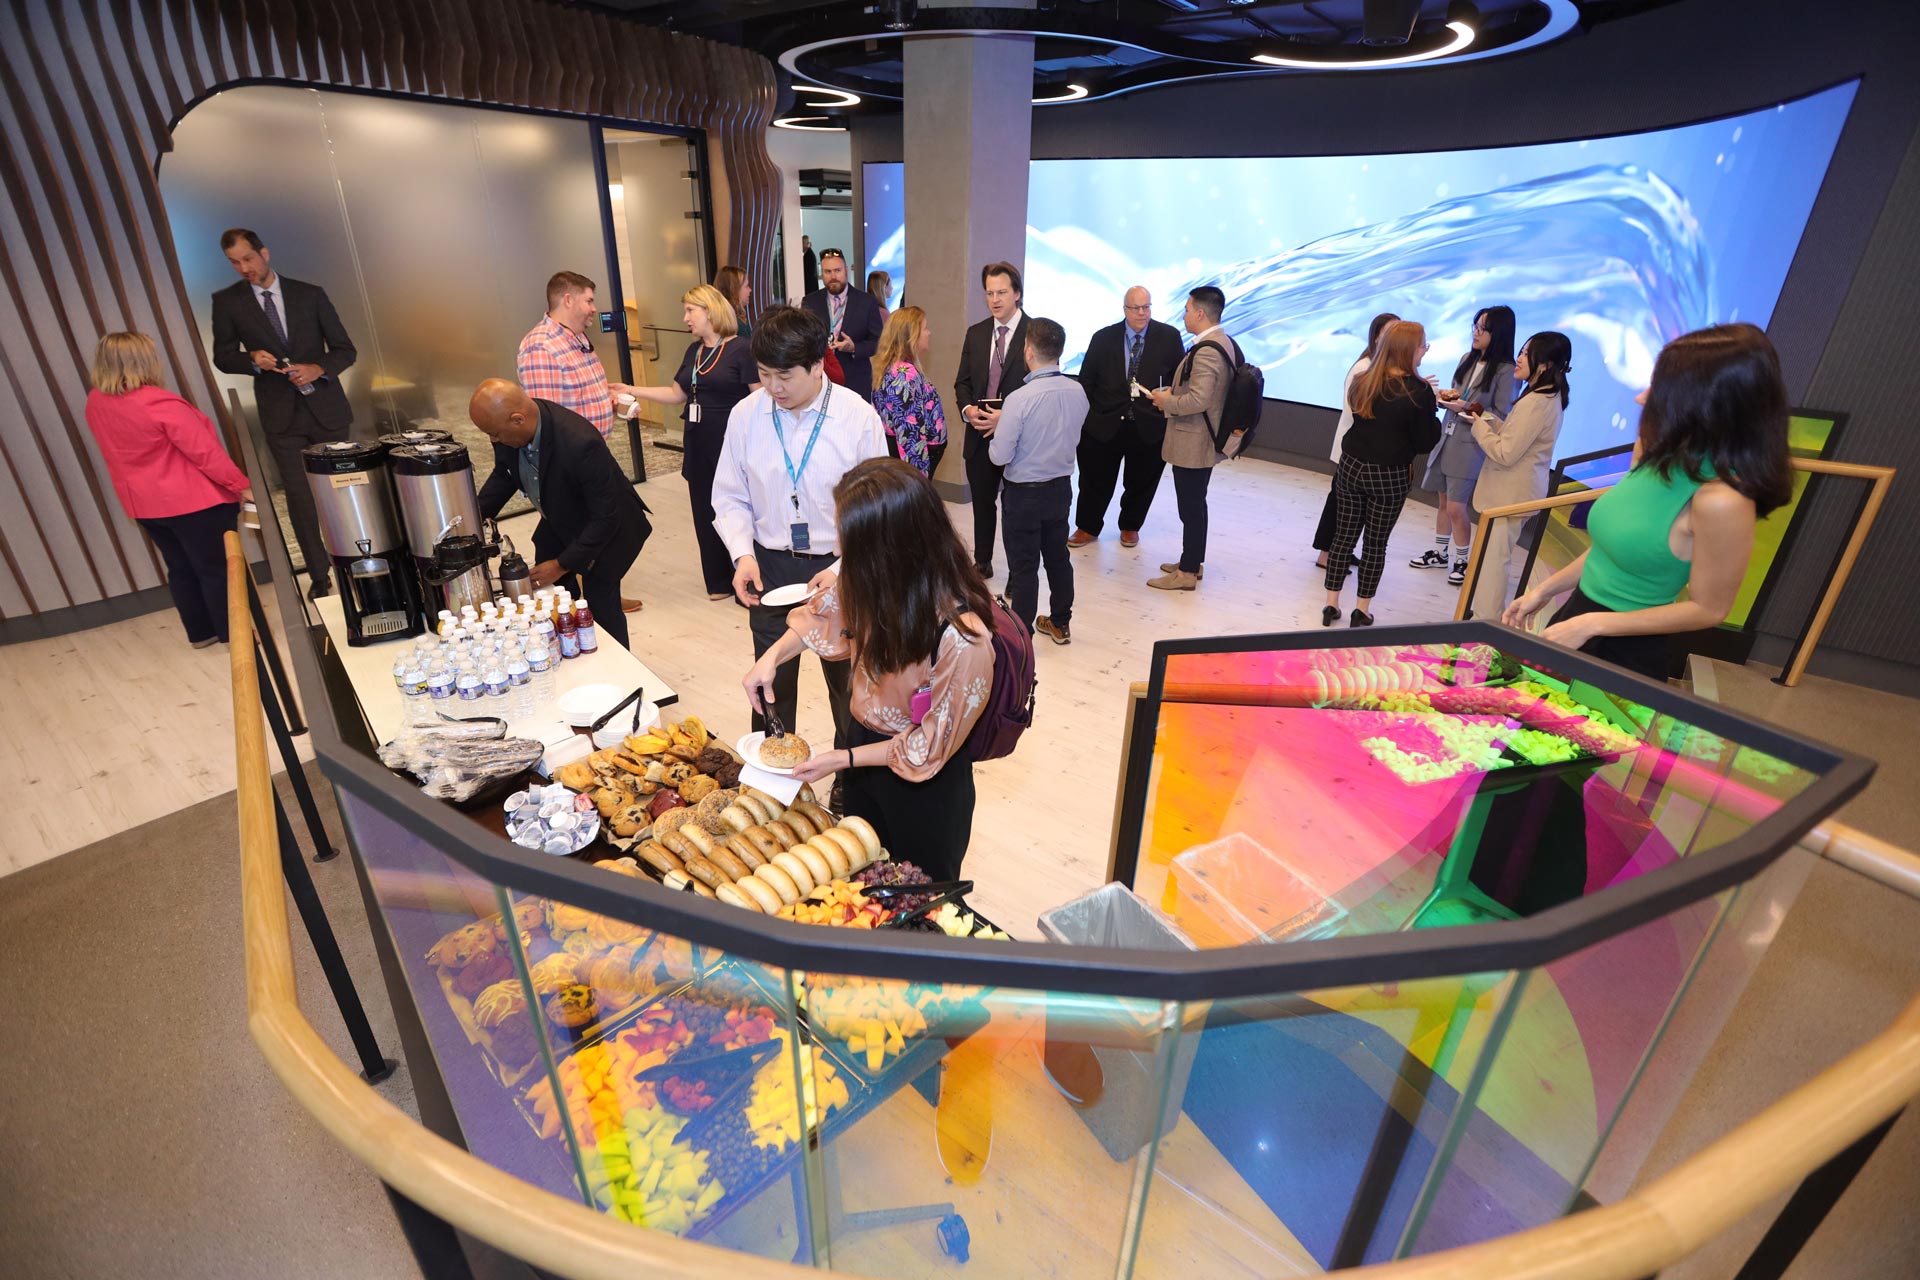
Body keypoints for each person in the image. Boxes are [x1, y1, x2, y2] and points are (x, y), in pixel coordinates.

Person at [743, 458, 996, 881]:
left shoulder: (962, 636)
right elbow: (822, 615)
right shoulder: (873, 581)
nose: (839, 551)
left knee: (918, 895)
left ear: (891, 547)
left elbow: (928, 748)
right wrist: (770, 658)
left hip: (924, 784)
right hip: (863, 755)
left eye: (848, 540)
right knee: (861, 875)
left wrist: (842, 759)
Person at [1504, 323, 1793, 682]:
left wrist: (1594, 624)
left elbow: (1710, 608)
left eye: (1661, 389)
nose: (1642, 398)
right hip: (1575, 621)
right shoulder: (1653, 452)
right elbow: (1611, 550)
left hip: (1626, 651)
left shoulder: (1722, 500)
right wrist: (1546, 590)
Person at [711, 306, 888, 764]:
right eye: (765, 374)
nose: (774, 388)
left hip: (840, 569)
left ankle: (851, 782)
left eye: (785, 376)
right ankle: (770, 777)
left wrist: (844, 570)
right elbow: (729, 495)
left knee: (848, 689)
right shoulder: (746, 416)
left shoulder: (857, 418)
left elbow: (877, 512)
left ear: (816, 364)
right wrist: (741, 555)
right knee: (770, 684)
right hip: (769, 566)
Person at [208, 228, 355, 600]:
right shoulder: (227, 302)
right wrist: (251, 360)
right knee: (300, 499)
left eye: (248, 259)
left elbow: (344, 349)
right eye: (235, 263)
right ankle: (320, 578)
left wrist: (318, 369)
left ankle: (358, 562)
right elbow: (223, 356)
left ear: (265, 253)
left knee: (344, 492)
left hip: (328, 410)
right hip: (280, 417)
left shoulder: (310, 295)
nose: (244, 268)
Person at [85, 332, 252, 647]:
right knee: (219, 570)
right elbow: (204, 452)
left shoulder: (96, 402)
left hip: (145, 505)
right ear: (143, 361)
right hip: (193, 503)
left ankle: (202, 633)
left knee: (181, 569)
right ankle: (236, 637)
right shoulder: (158, 402)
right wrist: (240, 485)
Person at [470, 379, 653, 651]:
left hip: (609, 530)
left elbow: (605, 517)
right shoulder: (508, 429)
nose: (493, 440)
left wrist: (563, 563)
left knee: (601, 604)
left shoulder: (580, 443)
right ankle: (567, 652)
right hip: (560, 518)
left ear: (517, 420)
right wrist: (472, 518)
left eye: (495, 433)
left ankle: (622, 675)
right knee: (553, 599)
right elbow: (505, 473)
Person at [620, 286, 759, 601]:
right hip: (698, 441)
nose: (685, 318)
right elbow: (677, 395)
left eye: (689, 311)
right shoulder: (694, 351)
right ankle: (719, 581)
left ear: (709, 311)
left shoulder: (742, 349)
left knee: (738, 508)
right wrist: (631, 388)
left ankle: (748, 578)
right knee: (704, 509)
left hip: (731, 443)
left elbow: (759, 399)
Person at [517, 269, 643, 612]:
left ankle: (589, 594)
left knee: (578, 534)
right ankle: (580, 602)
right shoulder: (543, 347)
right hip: (569, 466)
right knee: (585, 530)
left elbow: (584, 394)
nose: (593, 309)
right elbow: (548, 417)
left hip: (591, 455)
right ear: (567, 299)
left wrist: (611, 404)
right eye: (589, 300)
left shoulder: (576, 340)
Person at [1323, 321, 1443, 627]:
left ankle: (1330, 604)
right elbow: (1425, 441)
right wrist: (1433, 413)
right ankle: (1361, 611)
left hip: (1351, 467)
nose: (1424, 351)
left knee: (1343, 537)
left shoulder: (1363, 380)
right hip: (1389, 475)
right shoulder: (1419, 392)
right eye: (1422, 345)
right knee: (1376, 544)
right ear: (1408, 350)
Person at [1458, 331, 1571, 620]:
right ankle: (1482, 619)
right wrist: (1482, 417)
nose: (1518, 358)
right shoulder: (1543, 395)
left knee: (1493, 567)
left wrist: (1478, 426)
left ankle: (1485, 624)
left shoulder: (1537, 401)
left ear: (1544, 364)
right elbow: (1515, 436)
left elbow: (1506, 452)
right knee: (1491, 563)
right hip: (1511, 494)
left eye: (1525, 353)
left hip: (1510, 497)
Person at [989, 318, 1085, 645]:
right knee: (1058, 558)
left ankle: (1022, 637)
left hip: (1023, 496)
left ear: (1028, 351)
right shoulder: (1078, 392)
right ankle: (1060, 622)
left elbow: (999, 456)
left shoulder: (1019, 399)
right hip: (1060, 489)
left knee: (1025, 568)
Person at [1071, 286, 1183, 549]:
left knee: (1142, 481)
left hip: (1148, 424)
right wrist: (1082, 420)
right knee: (1094, 480)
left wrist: (1167, 394)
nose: (1142, 313)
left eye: (1147, 307)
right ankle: (1087, 527)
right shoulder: (1103, 338)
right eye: (1136, 308)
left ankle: (1130, 526)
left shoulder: (1169, 337)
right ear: (1125, 309)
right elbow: (1086, 381)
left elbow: (1179, 381)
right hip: (1104, 423)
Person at [1145, 285, 1241, 591]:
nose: (1184, 314)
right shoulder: (1221, 342)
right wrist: (1175, 393)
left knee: (1191, 507)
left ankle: (1186, 573)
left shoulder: (1209, 350)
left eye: (1187, 309)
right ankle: (1192, 561)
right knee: (1195, 504)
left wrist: (1166, 402)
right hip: (1200, 438)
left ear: (1200, 313)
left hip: (1194, 440)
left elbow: (1199, 400)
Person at [1413, 306, 1517, 585]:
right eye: (1475, 326)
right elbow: (1456, 394)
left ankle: (1462, 560)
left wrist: (1468, 408)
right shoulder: (1466, 359)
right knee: (1444, 501)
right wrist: (1445, 400)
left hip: (1470, 445)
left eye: (1483, 328)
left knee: (1457, 507)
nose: (1476, 332)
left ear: (1499, 333)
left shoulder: (1506, 371)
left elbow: (1502, 414)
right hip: (1447, 437)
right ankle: (1439, 552)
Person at [953, 262, 1030, 578]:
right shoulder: (977, 333)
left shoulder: (1035, 333)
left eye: (1001, 292)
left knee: (1017, 510)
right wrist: (968, 411)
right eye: (989, 293)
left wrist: (1007, 417)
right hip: (979, 432)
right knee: (983, 504)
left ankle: (1018, 573)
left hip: (1021, 438)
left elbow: (1041, 388)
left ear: (1017, 294)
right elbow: (962, 383)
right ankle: (982, 562)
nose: (995, 299)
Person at [1313, 311, 1400, 570]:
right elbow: (1356, 409)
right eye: (1388, 333)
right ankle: (1326, 554)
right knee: (1339, 503)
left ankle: (1340, 550)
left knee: (1348, 505)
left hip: (1359, 449)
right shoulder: (1365, 368)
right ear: (1376, 337)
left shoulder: (1377, 367)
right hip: (1352, 447)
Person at [870, 306, 948, 477]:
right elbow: (910, 435)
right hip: (913, 461)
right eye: (925, 328)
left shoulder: (891, 367)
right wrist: (917, 480)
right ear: (911, 336)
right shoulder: (904, 375)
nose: (929, 333)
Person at [801, 249, 886, 401]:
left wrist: (854, 348)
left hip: (855, 381)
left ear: (846, 270)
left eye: (837, 271)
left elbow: (879, 342)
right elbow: (803, 340)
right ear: (821, 273)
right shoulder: (810, 302)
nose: (833, 277)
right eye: (827, 272)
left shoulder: (866, 302)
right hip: (820, 382)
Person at [714, 265, 753, 340]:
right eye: (746, 286)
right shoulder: (736, 325)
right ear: (735, 290)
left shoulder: (720, 319)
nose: (750, 290)